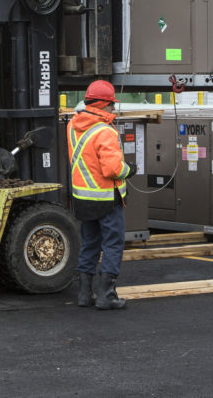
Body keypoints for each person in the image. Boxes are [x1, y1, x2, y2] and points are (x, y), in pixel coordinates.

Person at [67, 80, 136, 310]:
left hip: (83, 200)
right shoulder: (105, 131)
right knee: (113, 245)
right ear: (103, 105)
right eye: (112, 106)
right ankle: (107, 296)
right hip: (107, 201)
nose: (113, 110)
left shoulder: (73, 126)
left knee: (89, 244)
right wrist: (130, 170)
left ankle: (85, 295)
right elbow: (113, 170)